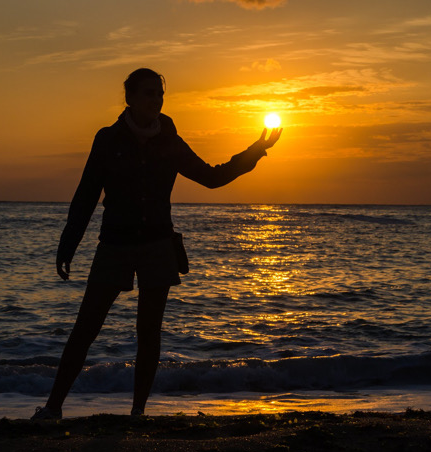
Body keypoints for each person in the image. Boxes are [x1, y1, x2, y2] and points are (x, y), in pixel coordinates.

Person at [32, 68, 282, 420]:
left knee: (148, 332)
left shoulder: (170, 141)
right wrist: (67, 245)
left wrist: (257, 149)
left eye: (159, 94)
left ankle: (138, 412)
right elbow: (86, 195)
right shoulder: (108, 139)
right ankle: (53, 407)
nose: (156, 100)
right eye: (149, 93)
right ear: (130, 99)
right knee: (86, 328)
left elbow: (212, 177)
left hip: (158, 246)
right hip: (115, 244)